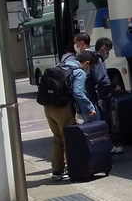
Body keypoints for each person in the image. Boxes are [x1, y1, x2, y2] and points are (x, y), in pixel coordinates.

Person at [43, 50, 98, 180]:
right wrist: (90, 107)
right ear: (87, 63)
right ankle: (74, 170)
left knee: (57, 138)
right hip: (63, 108)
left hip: (48, 106)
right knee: (69, 139)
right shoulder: (78, 72)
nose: (89, 69)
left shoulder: (60, 66)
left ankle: (57, 171)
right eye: (90, 67)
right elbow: (78, 93)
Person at [93, 36, 125, 153]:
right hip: (102, 94)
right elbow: (101, 79)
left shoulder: (95, 58)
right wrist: (113, 86)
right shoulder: (98, 60)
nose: (108, 53)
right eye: (108, 50)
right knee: (106, 120)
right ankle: (109, 145)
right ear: (103, 48)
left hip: (100, 93)